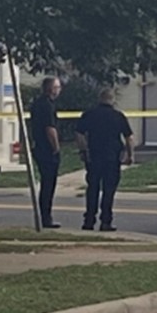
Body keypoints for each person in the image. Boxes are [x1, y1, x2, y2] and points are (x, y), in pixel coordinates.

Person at [75, 87, 133, 232]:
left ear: (99, 99)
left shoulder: (89, 115)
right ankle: (105, 221)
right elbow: (129, 138)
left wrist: (83, 150)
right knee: (109, 190)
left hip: (94, 157)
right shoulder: (118, 116)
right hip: (112, 158)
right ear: (112, 100)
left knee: (92, 188)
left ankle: (89, 221)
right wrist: (130, 155)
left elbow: (79, 134)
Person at [29, 76, 64, 229]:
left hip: (38, 146)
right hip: (47, 149)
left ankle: (44, 216)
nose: (59, 90)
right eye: (57, 87)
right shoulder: (47, 106)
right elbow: (50, 129)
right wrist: (56, 147)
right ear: (51, 89)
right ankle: (46, 217)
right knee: (49, 183)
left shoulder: (37, 103)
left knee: (46, 182)